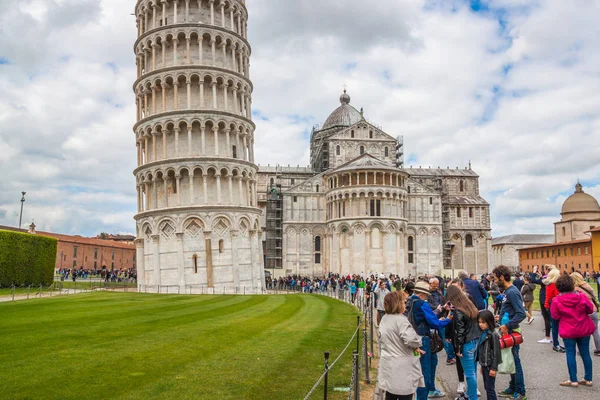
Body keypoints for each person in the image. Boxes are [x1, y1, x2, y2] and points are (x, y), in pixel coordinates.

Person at [550, 274, 595, 387]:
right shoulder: (581, 296)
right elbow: (590, 310)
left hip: (568, 329)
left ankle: (573, 379)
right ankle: (588, 378)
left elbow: (555, 316)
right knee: (585, 353)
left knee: (570, 353)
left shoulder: (556, 300)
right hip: (583, 328)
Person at [409, 281, 452, 400]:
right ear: (422, 294)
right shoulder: (422, 304)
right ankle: (422, 397)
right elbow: (434, 323)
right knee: (424, 372)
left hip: (411, 339)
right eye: (427, 295)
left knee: (416, 370)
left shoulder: (409, 301)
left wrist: (439, 310)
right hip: (422, 340)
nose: (427, 297)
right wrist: (447, 320)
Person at [378, 291, 424, 400]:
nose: (405, 305)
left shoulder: (385, 318)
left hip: (389, 361)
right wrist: (417, 342)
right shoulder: (401, 321)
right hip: (402, 366)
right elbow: (411, 339)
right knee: (404, 395)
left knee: (390, 394)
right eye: (403, 302)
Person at [493, 265, 527, 400]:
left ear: (502, 277)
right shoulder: (507, 291)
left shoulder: (512, 292)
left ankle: (521, 392)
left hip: (512, 331)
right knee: (511, 361)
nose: (494, 281)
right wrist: (500, 318)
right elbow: (511, 311)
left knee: (515, 361)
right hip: (507, 329)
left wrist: (507, 324)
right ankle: (513, 387)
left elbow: (521, 314)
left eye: (496, 279)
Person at [446, 285, 481, 400]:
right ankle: (471, 394)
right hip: (474, 340)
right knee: (471, 372)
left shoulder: (459, 310)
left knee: (469, 373)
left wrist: (458, 348)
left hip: (466, 343)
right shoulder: (469, 305)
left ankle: (473, 397)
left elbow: (459, 331)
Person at [570, 272, 600, 356]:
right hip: (593, 310)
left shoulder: (575, 289)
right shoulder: (587, 286)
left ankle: (582, 350)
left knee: (582, 332)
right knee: (595, 331)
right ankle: (599, 349)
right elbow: (594, 296)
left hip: (583, 312)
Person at [428, 278, 455, 365]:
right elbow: (429, 307)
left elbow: (443, 302)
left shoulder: (439, 292)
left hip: (442, 317)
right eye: (434, 285)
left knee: (445, 337)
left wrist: (444, 308)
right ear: (430, 284)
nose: (436, 287)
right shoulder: (427, 294)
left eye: (437, 285)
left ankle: (450, 356)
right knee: (438, 338)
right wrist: (439, 308)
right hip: (434, 317)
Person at [477, 310, 502, 400]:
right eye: (479, 322)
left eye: (483, 322)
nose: (480, 324)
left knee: (490, 388)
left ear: (489, 321)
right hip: (485, 365)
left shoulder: (493, 334)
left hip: (490, 365)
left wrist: (493, 368)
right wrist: (482, 365)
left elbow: (496, 352)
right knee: (487, 387)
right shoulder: (483, 333)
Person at [529, 265, 552, 344]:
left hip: (544, 300)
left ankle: (547, 337)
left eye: (545, 270)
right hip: (550, 300)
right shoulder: (551, 278)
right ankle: (552, 338)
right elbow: (543, 280)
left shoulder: (547, 279)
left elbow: (533, 280)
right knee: (551, 319)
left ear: (547, 270)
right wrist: (541, 276)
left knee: (547, 319)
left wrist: (534, 272)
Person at [544, 268, 565, 352]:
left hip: (550, 306)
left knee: (555, 326)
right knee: (556, 326)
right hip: (554, 306)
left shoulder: (550, 284)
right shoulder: (553, 285)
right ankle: (556, 344)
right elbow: (557, 295)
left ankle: (556, 344)